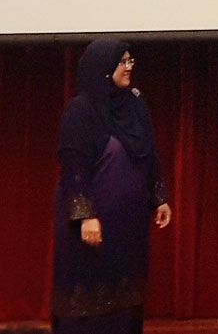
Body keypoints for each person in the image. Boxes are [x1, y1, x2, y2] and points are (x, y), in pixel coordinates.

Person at [51, 39, 172, 334]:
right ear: (103, 68)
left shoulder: (135, 104)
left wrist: (159, 197)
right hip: (93, 223)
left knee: (126, 298)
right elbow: (74, 167)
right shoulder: (81, 110)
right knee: (89, 297)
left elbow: (149, 153)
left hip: (129, 223)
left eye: (131, 61)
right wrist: (86, 215)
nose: (128, 68)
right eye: (122, 62)